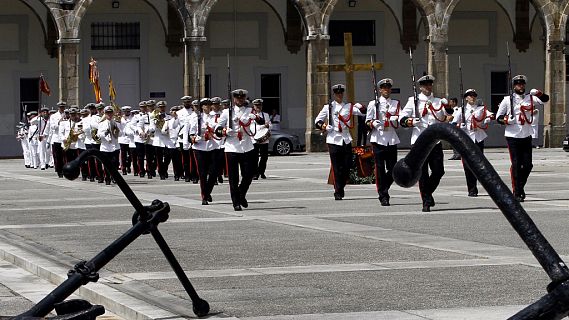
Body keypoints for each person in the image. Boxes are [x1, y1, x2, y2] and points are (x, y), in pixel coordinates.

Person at [400, 75, 454, 212]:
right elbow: (402, 117)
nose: (428, 87)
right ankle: (426, 201)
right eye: (425, 85)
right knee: (422, 173)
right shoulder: (413, 101)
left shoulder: (437, 101)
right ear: (420, 87)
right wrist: (411, 121)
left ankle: (427, 192)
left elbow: (446, 115)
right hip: (419, 141)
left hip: (435, 141)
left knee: (439, 171)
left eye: (430, 84)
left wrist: (447, 106)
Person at [496, 74, 549, 202]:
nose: (521, 86)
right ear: (514, 86)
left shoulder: (530, 98)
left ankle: (520, 186)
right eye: (518, 84)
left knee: (528, 165)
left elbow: (545, 100)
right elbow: (498, 118)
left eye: (522, 84)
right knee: (516, 164)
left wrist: (538, 92)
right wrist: (507, 120)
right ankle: (517, 192)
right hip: (513, 135)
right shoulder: (507, 100)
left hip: (526, 134)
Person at [314, 83, 365, 200]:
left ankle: (341, 186)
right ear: (334, 94)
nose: (339, 95)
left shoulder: (348, 107)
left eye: (341, 93)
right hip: (333, 139)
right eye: (337, 93)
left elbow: (363, 112)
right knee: (336, 167)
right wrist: (324, 126)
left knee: (347, 166)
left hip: (345, 139)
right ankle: (338, 191)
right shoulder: (328, 107)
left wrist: (361, 105)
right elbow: (317, 120)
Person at [214, 89, 257, 211]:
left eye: (242, 98)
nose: (240, 100)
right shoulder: (227, 112)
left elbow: (260, 121)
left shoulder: (249, 111)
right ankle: (235, 202)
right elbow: (217, 128)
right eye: (238, 98)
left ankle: (241, 194)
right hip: (232, 147)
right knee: (233, 177)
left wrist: (257, 118)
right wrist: (224, 131)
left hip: (247, 146)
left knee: (248, 174)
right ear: (234, 99)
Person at [365, 78, 400, 206]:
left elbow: (399, 118)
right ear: (380, 90)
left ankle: (383, 186)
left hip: (391, 138)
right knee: (379, 169)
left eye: (388, 87)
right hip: (378, 139)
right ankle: (383, 195)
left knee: (393, 169)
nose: (386, 90)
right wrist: (373, 123)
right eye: (384, 87)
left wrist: (395, 119)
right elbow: (367, 121)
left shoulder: (395, 103)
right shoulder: (373, 104)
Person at [452, 89, 493, 197]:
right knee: (467, 165)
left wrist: (488, 119)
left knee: (479, 164)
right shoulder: (461, 110)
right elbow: (453, 124)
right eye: (470, 96)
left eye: (474, 95)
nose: (472, 97)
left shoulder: (481, 108)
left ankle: (484, 186)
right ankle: (472, 188)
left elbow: (490, 115)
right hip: (466, 139)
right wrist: (460, 126)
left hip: (478, 138)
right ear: (466, 98)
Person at [190, 98, 219, 205]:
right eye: (205, 105)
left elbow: (218, 129)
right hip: (200, 147)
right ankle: (204, 196)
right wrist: (195, 138)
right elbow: (191, 132)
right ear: (202, 107)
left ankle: (208, 191)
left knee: (213, 172)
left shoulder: (215, 117)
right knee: (202, 173)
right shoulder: (197, 118)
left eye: (209, 105)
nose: (207, 107)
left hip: (212, 146)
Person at [97, 106, 120, 185]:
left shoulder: (116, 123)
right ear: (105, 114)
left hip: (115, 146)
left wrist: (117, 131)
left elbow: (121, 133)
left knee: (115, 163)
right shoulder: (101, 123)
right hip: (105, 147)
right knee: (106, 164)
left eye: (110, 113)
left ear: (113, 113)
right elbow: (98, 134)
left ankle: (114, 177)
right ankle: (107, 178)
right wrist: (105, 133)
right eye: (107, 113)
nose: (109, 115)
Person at [251, 99, 271, 180]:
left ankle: (261, 171)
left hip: (264, 139)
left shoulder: (265, 115)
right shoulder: (251, 115)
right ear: (254, 106)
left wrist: (268, 126)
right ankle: (255, 173)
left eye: (259, 105)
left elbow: (270, 125)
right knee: (254, 157)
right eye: (256, 106)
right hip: (254, 138)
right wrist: (262, 126)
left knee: (264, 157)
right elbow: (250, 126)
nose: (258, 107)